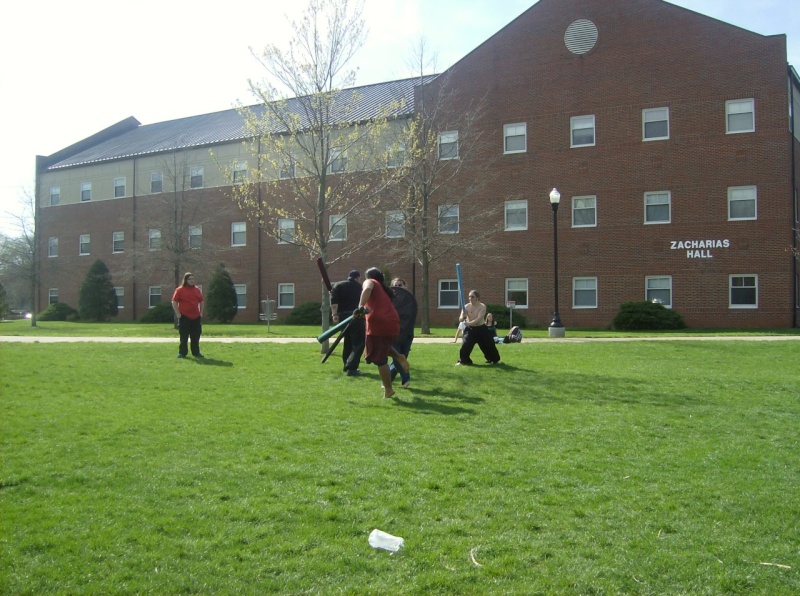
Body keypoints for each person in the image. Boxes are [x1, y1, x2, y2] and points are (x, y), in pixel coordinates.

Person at [357, 267, 409, 399]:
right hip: (391, 322)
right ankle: (398, 357)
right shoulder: (384, 289)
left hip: (379, 324)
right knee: (382, 346)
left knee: (380, 360)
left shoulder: (371, 282)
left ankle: (388, 389)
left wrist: (360, 306)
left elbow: (367, 289)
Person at [330, 269, 365, 377]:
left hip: (342, 317)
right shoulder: (361, 288)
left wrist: (334, 315)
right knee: (358, 343)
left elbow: (334, 302)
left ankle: (346, 364)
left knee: (348, 341)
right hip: (356, 316)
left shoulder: (338, 286)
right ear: (358, 277)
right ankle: (352, 368)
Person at [456, 290, 501, 365]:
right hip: (470, 330)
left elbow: (478, 319)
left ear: (477, 298)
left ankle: (494, 360)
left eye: (472, 297)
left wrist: (468, 323)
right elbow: (460, 319)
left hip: (481, 329)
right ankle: (464, 361)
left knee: (489, 344)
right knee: (466, 345)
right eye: (469, 296)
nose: (470, 298)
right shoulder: (466, 306)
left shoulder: (482, 306)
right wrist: (463, 317)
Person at [389, 277, 417, 388]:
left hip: (407, 334)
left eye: (400, 285)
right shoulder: (389, 300)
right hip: (393, 334)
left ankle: (386, 381)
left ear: (405, 286)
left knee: (402, 357)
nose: (397, 287)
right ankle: (406, 378)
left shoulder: (409, 301)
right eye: (395, 285)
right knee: (398, 357)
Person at [171, 272, 204, 359]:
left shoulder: (197, 290)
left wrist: (201, 312)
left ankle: (196, 352)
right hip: (184, 317)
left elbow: (201, 301)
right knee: (184, 336)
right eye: (189, 279)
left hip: (196, 317)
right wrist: (178, 314)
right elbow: (174, 302)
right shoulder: (179, 290)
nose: (191, 281)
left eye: (193, 279)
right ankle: (182, 353)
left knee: (196, 336)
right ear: (185, 280)